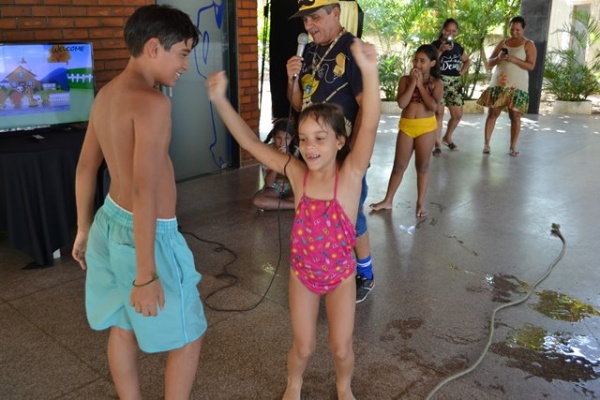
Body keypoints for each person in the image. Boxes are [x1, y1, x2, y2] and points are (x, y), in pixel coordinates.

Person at [207, 38, 379, 400]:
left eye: (320, 138)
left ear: (340, 141)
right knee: (303, 347)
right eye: (304, 139)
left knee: (341, 347)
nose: (310, 147)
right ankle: (294, 384)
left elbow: (370, 125)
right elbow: (251, 144)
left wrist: (369, 71)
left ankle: (344, 386)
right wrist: (220, 101)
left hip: (341, 277)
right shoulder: (297, 174)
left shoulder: (350, 176)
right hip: (302, 276)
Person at [71, 5, 207, 399]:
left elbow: (85, 167)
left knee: (123, 324)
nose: (185, 65)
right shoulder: (153, 103)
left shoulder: (106, 94)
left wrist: (83, 228)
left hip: (108, 222)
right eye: (182, 54)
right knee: (189, 335)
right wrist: (146, 275)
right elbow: (145, 190)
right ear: (153, 48)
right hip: (148, 236)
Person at [286, 0, 375, 303]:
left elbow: (366, 106)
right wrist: (291, 78)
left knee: (352, 215)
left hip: (342, 153)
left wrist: (354, 153)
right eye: (305, 21)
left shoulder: (351, 50)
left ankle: (365, 272)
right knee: (319, 213)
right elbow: (298, 103)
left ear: (336, 14)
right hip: (315, 152)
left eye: (315, 18)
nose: (309, 26)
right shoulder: (309, 51)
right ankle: (324, 265)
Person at [370, 44, 443, 217]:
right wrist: (413, 84)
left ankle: (420, 204)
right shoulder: (405, 80)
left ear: (432, 63)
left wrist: (421, 86)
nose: (418, 64)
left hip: (426, 128)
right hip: (407, 126)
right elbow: (402, 103)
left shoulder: (437, 83)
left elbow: (433, 107)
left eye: (423, 61)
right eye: (416, 60)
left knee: (422, 166)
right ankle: (388, 200)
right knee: (398, 166)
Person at [476, 16, 537, 156]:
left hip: (518, 86)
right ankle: (486, 144)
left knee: (515, 116)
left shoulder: (529, 44)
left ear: (523, 29)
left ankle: (512, 147)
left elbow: (531, 66)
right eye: (512, 29)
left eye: (518, 30)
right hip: (499, 83)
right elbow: (489, 63)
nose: (514, 32)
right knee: (493, 113)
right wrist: (499, 58)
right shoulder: (503, 42)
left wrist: (514, 59)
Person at [431, 18, 470, 156]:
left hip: (454, 84)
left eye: (454, 31)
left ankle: (447, 137)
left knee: (457, 115)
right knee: (439, 114)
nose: (450, 33)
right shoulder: (434, 45)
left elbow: (467, 61)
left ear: (457, 32)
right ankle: (437, 145)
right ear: (443, 31)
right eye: (448, 30)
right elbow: (430, 62)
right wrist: (440, 50)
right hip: (439, 82)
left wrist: (462, 71)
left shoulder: (458, 47)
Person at [253, 118, 296, 211]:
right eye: (278, 138)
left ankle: (276, 203)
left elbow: (298, 178)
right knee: (258, 200)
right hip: (274, 188)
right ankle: (294, 205)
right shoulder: (266, 152)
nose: (282, 143)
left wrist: (289, 158)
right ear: (273, 137)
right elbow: (269, 183)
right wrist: (278, 160)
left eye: (286, 138)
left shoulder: (297, 151)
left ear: (292, 138)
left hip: (293, 187)